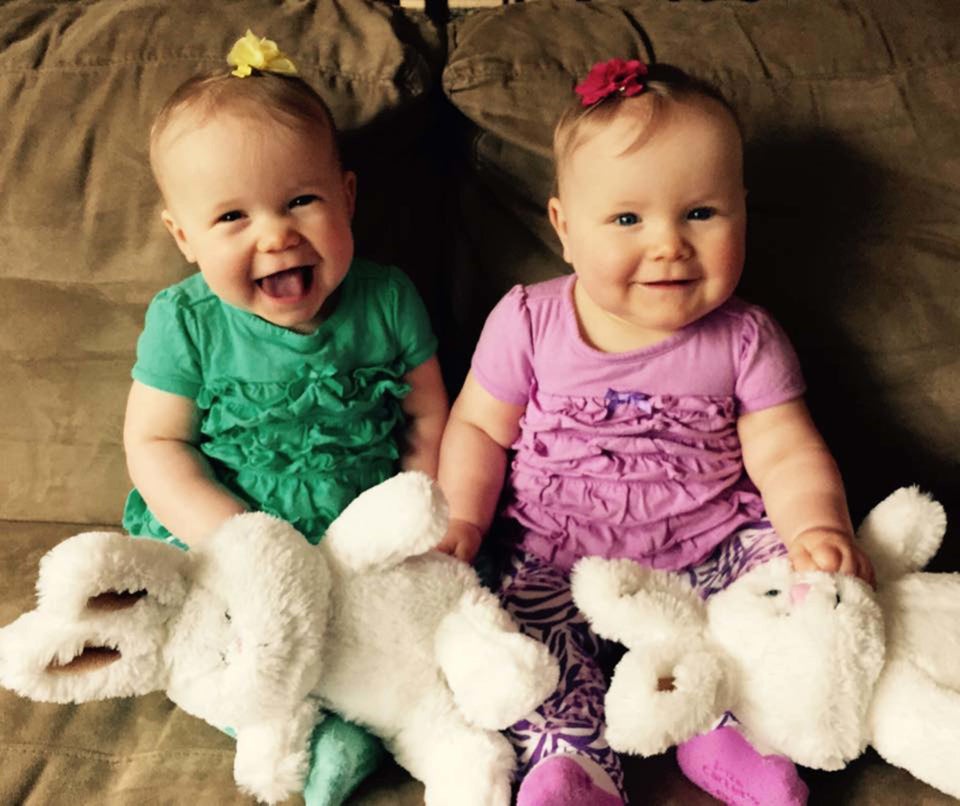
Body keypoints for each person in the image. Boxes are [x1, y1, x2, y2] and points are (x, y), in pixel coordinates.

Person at [437, 59, 874, 806]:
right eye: (627, 220)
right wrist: (465, 522)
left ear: (742, 213)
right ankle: (571, 761)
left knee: (786, 601)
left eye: (700, 213)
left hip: (711, 551)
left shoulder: (747, 337)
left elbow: (786, 448)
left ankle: (730, 734)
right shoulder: (529, 322)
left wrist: (817, 526)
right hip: (557, 557)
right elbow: (478, 427)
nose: (669, 244)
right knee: (519, 644)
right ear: (565, 229)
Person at [122, 31, 448, 806]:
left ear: (347, 198)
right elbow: (155, 442)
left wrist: (415, 515)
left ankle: (378, 717)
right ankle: (284, 727)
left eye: (302, 200)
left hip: (361, 538)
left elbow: (429, 416)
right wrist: (235, 539)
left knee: (412, 628)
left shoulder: (388, 298)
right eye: (232, 216)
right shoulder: (187, 322)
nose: (276, 235)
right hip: (228, 537)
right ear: (184, 237)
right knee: (199, 638)